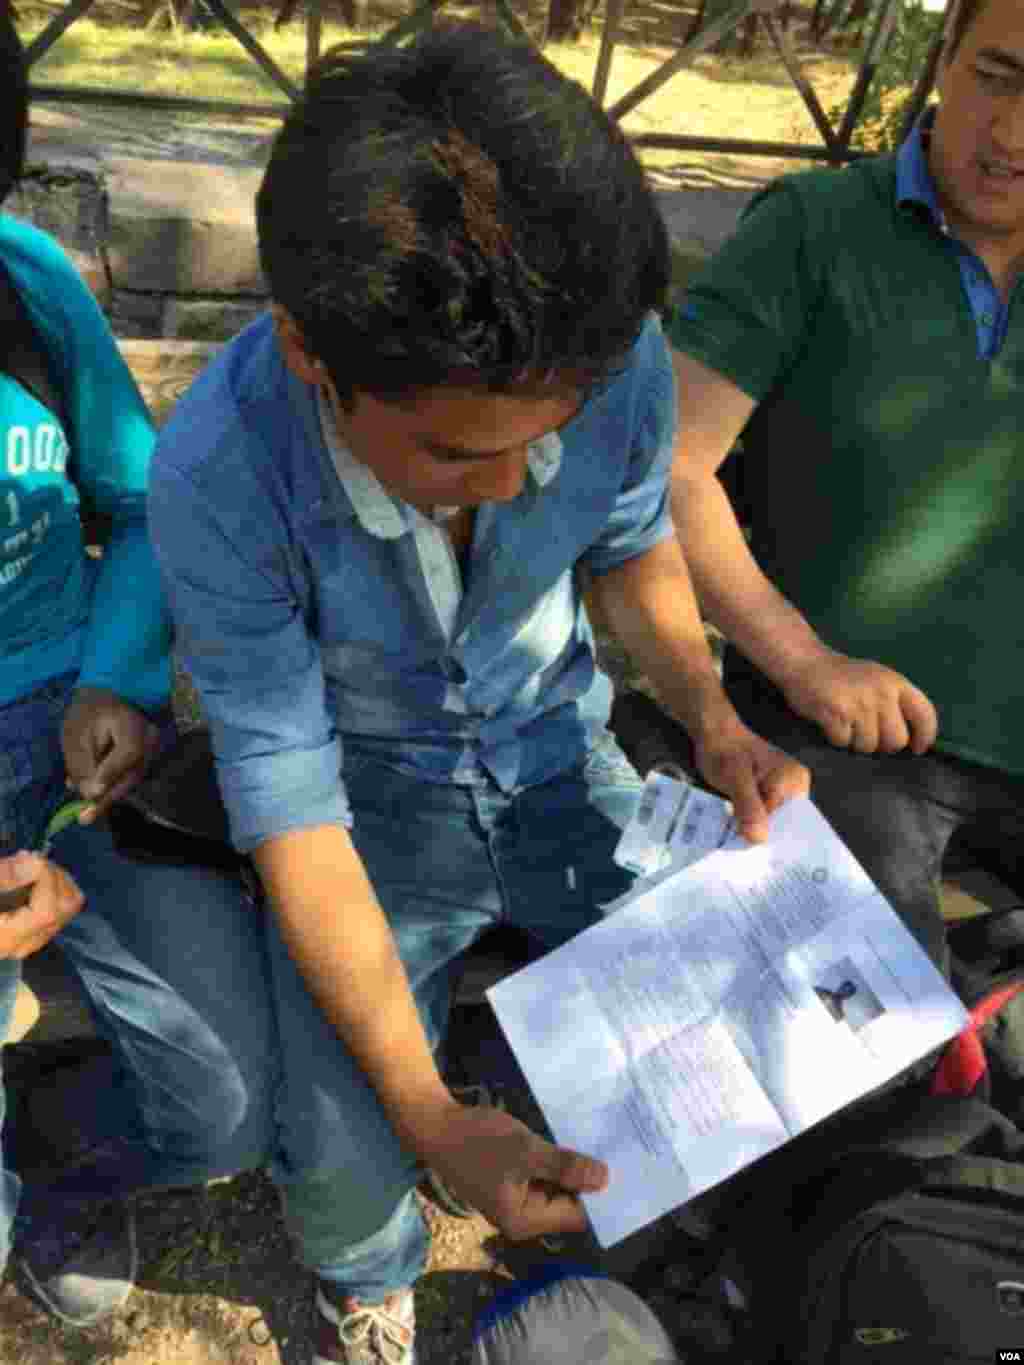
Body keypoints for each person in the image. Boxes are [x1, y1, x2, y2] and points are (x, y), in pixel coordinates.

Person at [147, 26, 808, 1362]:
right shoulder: (219, 474)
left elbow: (628, 545)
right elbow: (298, 818)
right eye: (455, 454)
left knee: (736, 1029)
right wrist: (427, 1114)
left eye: (544, 436)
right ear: (306, 352)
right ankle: (367, 1275)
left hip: (561, 753)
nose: (516, 489)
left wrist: (708, 710)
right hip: (364, 809)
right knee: (343, 1155)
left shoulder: (604, 353)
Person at [0, 0, 276, 1326]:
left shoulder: (30, 286)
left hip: (55, 733)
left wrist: (112, 678)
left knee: (225, 1106)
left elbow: (142, 502)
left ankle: (69, 1156)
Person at [666, 0, 1024, 978]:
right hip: (842, 738)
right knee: (860, 1040)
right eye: (997, 74)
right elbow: (668, 469)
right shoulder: (812, 230)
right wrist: (804, 662)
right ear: (945, 50)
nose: (1012, 134)